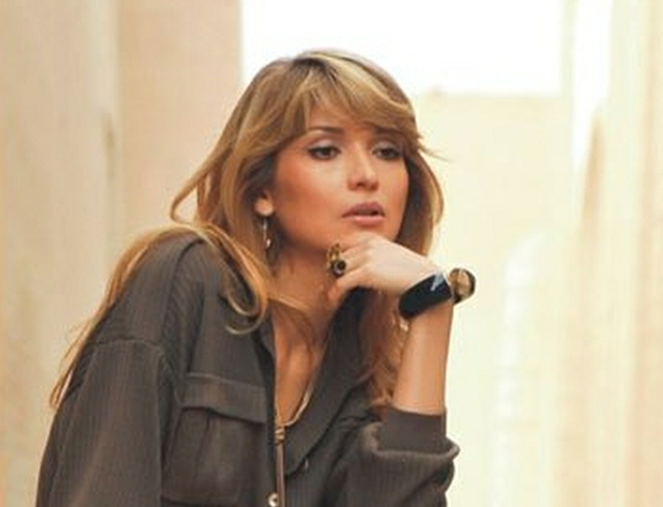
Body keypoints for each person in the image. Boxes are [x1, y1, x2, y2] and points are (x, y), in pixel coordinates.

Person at [35, 49, 475, 507]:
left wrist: (432, 307)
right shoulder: (183, 283)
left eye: (387, 151)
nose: (366, 175)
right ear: (262, 189)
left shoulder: (361, 364)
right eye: (325, 150)